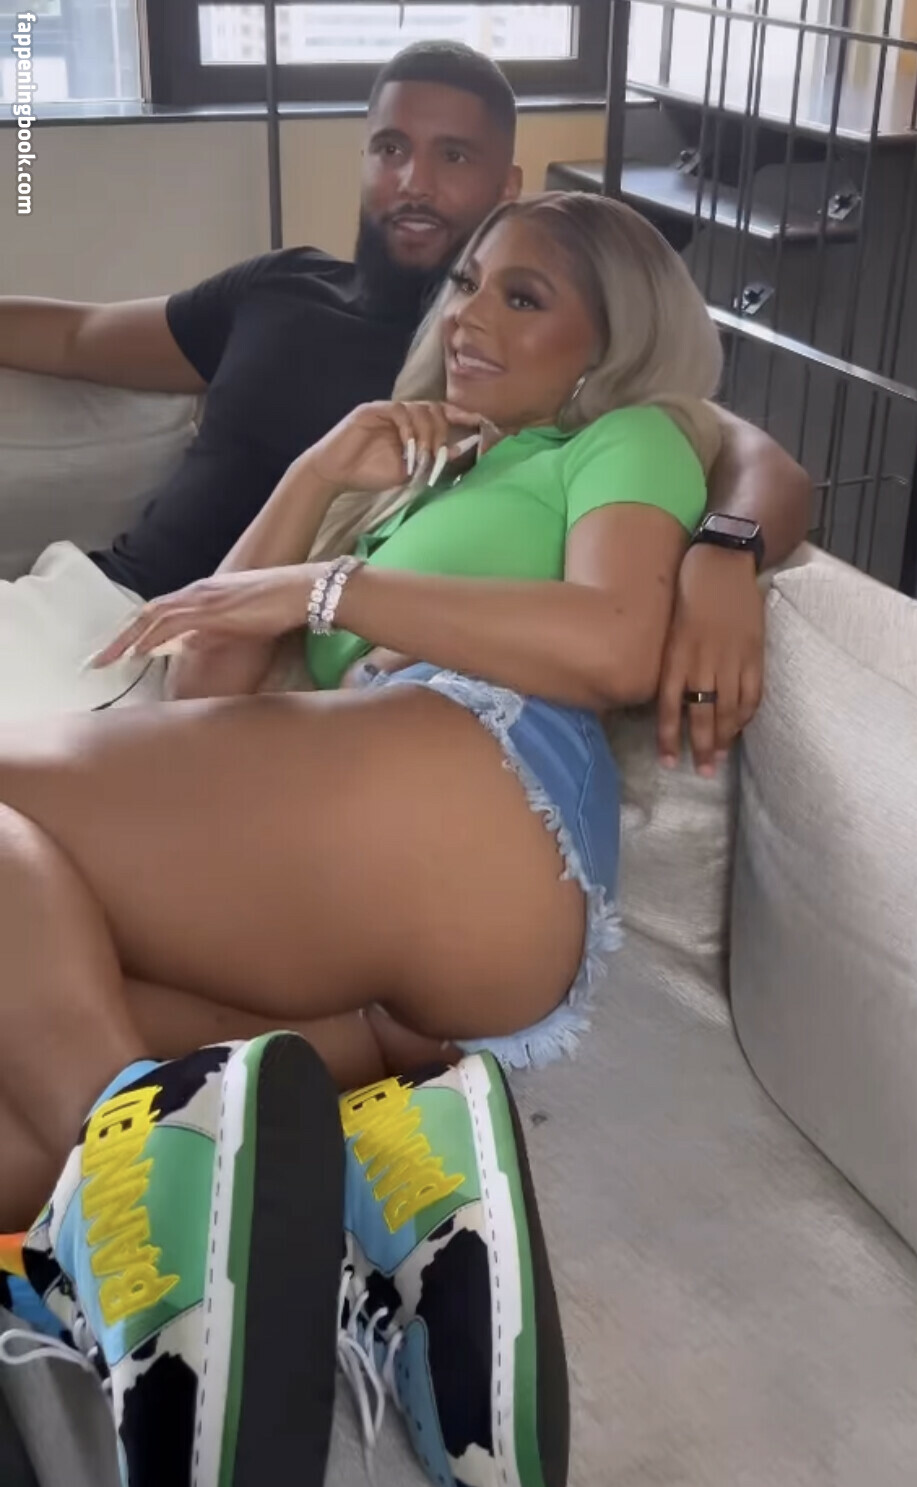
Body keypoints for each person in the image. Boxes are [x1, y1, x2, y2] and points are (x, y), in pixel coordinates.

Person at [0, 189, 734, 1487]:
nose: (468, 315)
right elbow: (205, 688)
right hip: (395, 973)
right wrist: (317, 479)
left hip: (482, 788)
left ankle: (152, 1239)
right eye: (467, 283)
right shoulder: (421, 478)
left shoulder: (628, 436)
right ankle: (390, 1202)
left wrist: (332, 588)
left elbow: (620, 641)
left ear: (611, 343)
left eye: (522, 295)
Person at [0, 41, 811, 773]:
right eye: (391, 148)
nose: (414, 181)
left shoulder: (518, 380)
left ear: (507, 186)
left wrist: (722, 552)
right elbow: (78, 337)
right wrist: (317, 473)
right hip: (84, 602)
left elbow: (717, 440)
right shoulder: (285, 288)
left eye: (452, 155)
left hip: (166, 668)